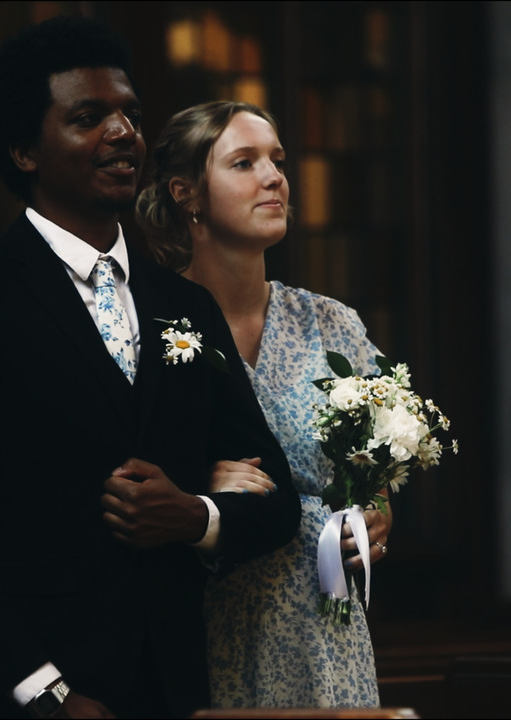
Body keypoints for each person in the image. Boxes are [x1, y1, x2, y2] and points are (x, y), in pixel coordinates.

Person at [0, 18, 300, 720]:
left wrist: (193, 516)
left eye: (131, 116)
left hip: (173, 691)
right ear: (23, 149)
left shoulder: (184, 305)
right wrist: (44, 691)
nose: (124, 133)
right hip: (38, 696)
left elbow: (278, 499)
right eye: (89, 117)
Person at [136, 101, 391, 708]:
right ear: (187, 194)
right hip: (212, 618)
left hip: (326, 624)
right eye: (244, 163)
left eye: (277, 160)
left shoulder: (330, 322)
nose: (274, 177)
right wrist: (202, 482)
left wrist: (376, 508)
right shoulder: (159, 323)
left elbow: (377, 461)